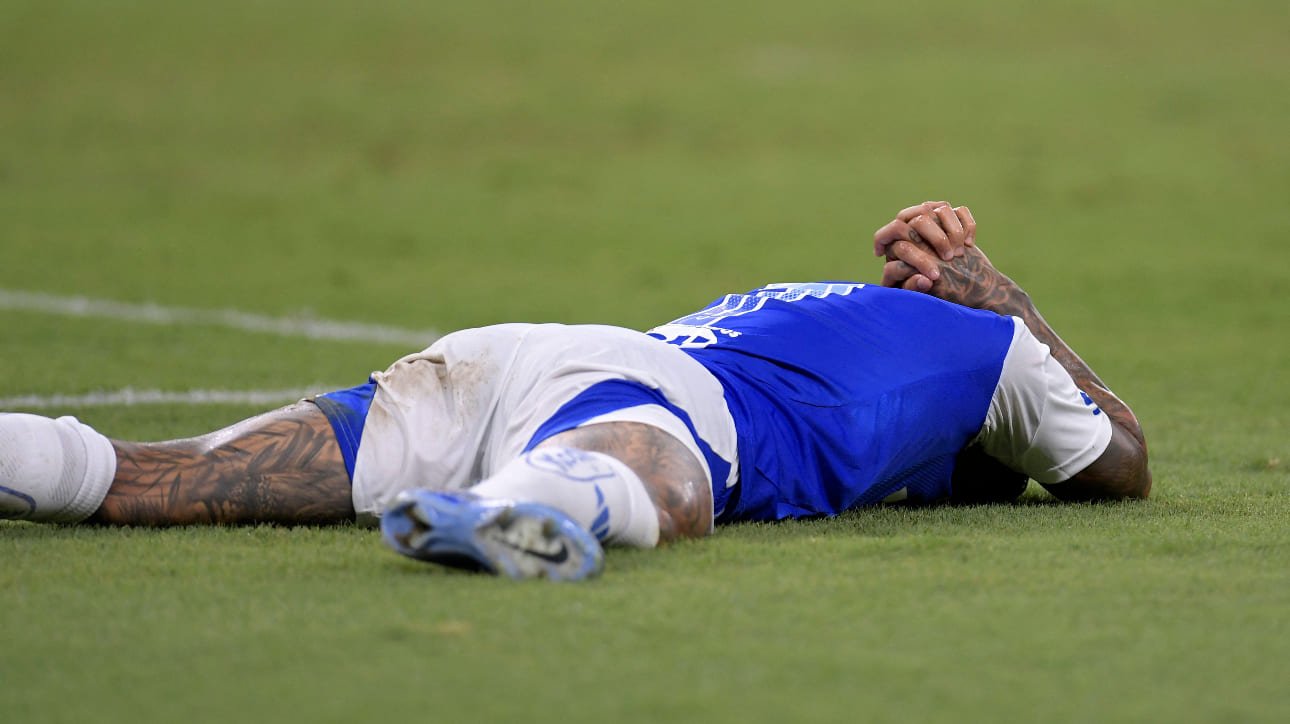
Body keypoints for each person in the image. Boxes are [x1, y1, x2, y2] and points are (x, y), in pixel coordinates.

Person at [0, 201, 1150, 580]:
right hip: (653, 393)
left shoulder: (815, 315)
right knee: (664, 478)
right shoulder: (995, 353)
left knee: (165, 477)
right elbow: (1121, 465)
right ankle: (541, 511)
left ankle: (31, 456)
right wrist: (1011, 298)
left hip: (515, 357)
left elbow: (1018, 472)